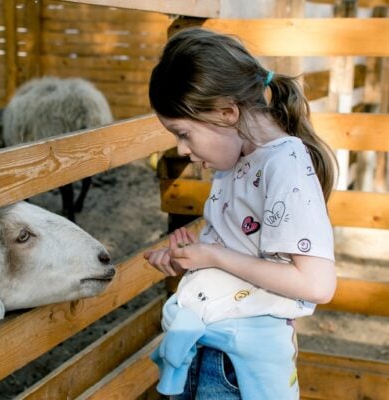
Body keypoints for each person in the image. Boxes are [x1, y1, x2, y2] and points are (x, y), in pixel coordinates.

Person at [144, 27, 337, 400]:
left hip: (238, 363)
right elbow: (246, 254)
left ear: (227, 112)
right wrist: (192, 259)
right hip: (210, 342)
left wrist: (213, 255)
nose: (182, 150)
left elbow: (317, 285)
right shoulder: (236, 160)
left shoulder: (284, 165)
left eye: (183, 133)